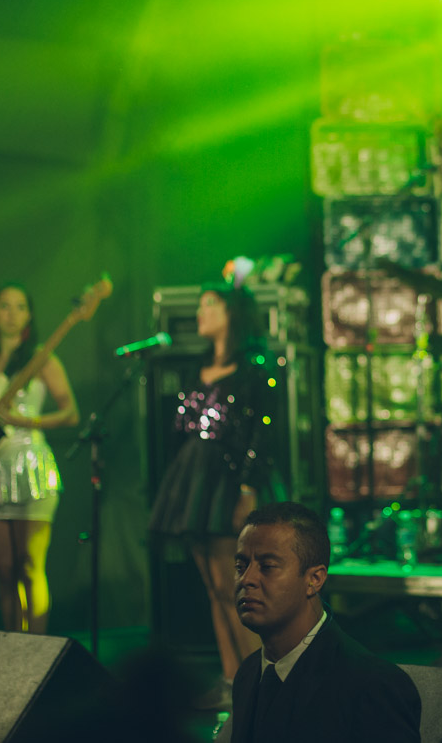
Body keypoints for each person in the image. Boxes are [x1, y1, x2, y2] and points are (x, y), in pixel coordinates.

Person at [149, 281, 287, 706]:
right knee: (213, 587)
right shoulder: (199, 368)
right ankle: (232, 679)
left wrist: (247, 488)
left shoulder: (254, 368)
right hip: (194, 481)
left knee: (235, 588)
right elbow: (183, 428)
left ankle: (258, 683)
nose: (201, 312)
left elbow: (263, 432)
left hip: (228, 482)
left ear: (233, 314)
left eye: (211, 304)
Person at [231, 502, 421, 742]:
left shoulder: (372, 686)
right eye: (240, 566)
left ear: (315, 579)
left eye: (267, 567)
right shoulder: (249, 673)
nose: (246, 579)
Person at [0, 282, 80, 633]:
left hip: (31, 466)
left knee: (30, 566)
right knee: (5, 572)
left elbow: (71, 413)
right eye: (4, 306)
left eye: (20, 307)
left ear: (29, 315)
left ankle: (38, 650)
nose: (12, 314)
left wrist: (25, 421)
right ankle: (12, 648)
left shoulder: (43, 358)